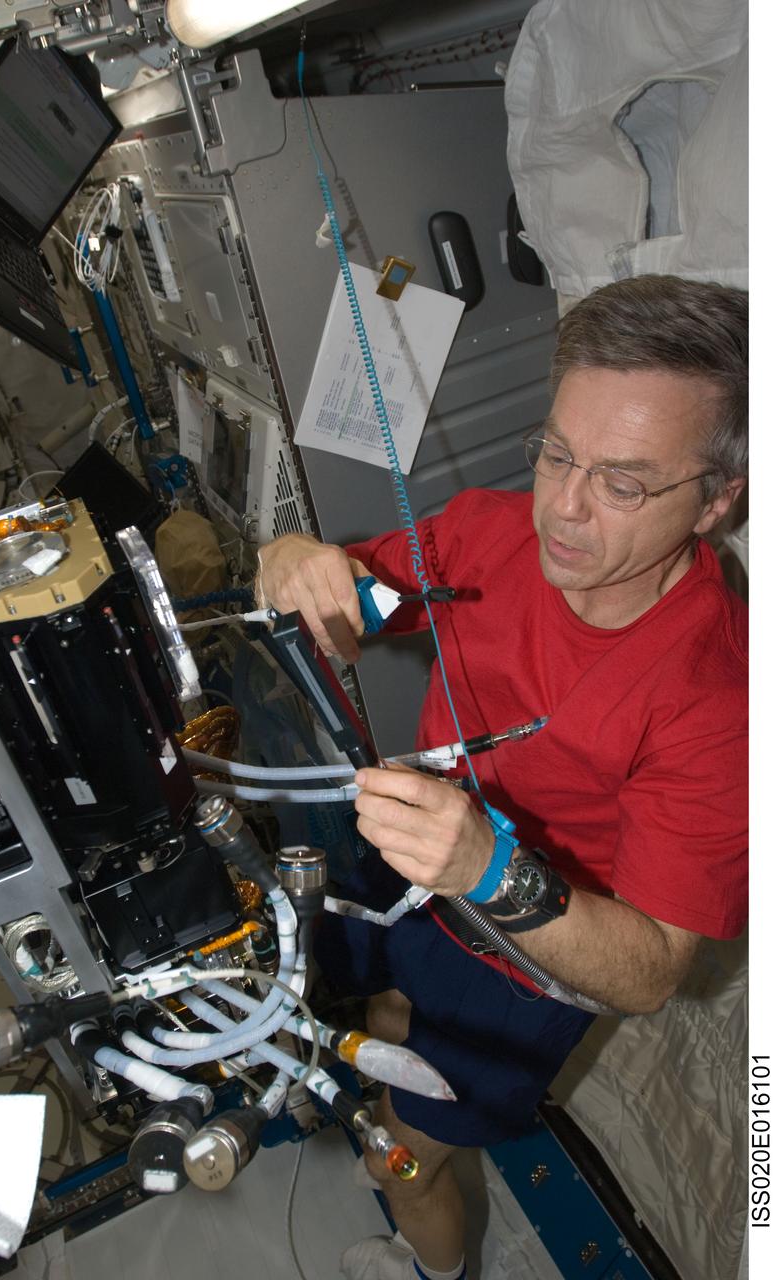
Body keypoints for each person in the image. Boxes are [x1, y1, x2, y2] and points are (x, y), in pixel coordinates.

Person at [256, 275, 748, 1280]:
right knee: (376, 1010)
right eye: (556, 453)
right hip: (411, 870)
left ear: (716, 500)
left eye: (621, 483)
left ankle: (432, 1260)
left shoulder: (718, 703)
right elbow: (350, 596)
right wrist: (293, 556)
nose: (561, 509)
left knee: (402, 1163)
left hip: (523, 957)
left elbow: (652, 970)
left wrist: (487, 866)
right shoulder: (491, 527)